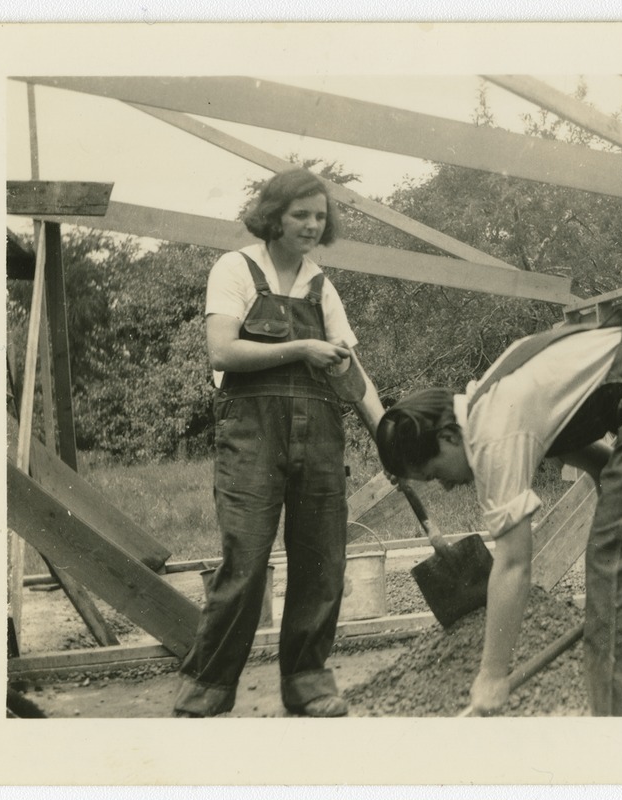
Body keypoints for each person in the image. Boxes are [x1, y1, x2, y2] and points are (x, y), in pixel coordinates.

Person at [376, 308, 622, 716]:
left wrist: (492, 675)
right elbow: (601, 466)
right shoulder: (504, 386)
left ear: (449, 436)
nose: (444, 484)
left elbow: (512, 564)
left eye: (433, 472)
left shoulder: (491, 431)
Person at [173, 168, 363, 718]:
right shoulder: (235, 268)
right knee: (245, 563)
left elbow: (353, 370)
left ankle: (307, 680)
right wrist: (303, 347)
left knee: (322, 562)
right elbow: (222, 353)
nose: (310, 225)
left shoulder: (322, 285)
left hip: (322, 439)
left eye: (319, 216)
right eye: (300, 214)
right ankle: (206, 688)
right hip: (252, 436)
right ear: (274, 215)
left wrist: (389, 429)